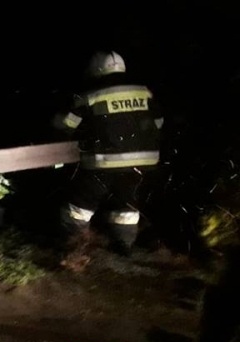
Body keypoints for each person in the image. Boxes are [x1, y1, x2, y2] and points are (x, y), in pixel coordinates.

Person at [52, 51, 164, 270]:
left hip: (104, 161)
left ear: (95, 71)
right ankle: (124, 246)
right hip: (142, 162)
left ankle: (74, 242)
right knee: (127, 205)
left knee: (80, 205)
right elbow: (158, 122)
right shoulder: (144, 92)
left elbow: (65, 125)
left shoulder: (91, 94)